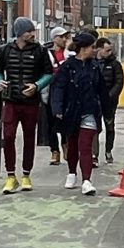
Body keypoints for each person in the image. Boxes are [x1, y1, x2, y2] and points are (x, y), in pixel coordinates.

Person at [0, 17, 53, 194]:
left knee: (29, 138)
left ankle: (26, 174)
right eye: (29, 31)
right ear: (19, 33)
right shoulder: (5, 50)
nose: (32, 34)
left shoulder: (40, 51)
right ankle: (11, 176)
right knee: (8, 136)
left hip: (31, 102)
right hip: (10, 100)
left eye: (33, 31)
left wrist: (37, 86)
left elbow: (49, 73)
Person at [50, 29, 106, 195]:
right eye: (92, 47)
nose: (95, 50)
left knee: (85, 145)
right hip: (71, 112)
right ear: (83, 48)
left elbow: (101, 90)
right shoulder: (67, 67)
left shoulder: (95, 67)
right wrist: (58, 108)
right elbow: (58, 87)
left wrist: (107, 111)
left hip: (89, 111)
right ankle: (72, 172)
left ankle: (87, 180)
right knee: (72, 145)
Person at [40, 29, 71, 165]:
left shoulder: (69, 53)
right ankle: (54, 150)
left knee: (64, 120)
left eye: (66, 37)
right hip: (50, 90)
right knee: (50, 122)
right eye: (62, 37)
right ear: (54, 38)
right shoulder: (46, 54)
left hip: (66, 91)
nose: (65, 39)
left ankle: (66, 145)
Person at [94, 37, 124, 160]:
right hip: (95, 101)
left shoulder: (115, 64)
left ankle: (108, 151)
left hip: (110, 102)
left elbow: (119, 82)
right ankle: (94, 154)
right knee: (94, 128)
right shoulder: (93, 63)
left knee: (110, 126)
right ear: (99, 49)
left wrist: (110, 96)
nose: (109, 53)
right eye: (107, 50)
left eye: (110, 50)